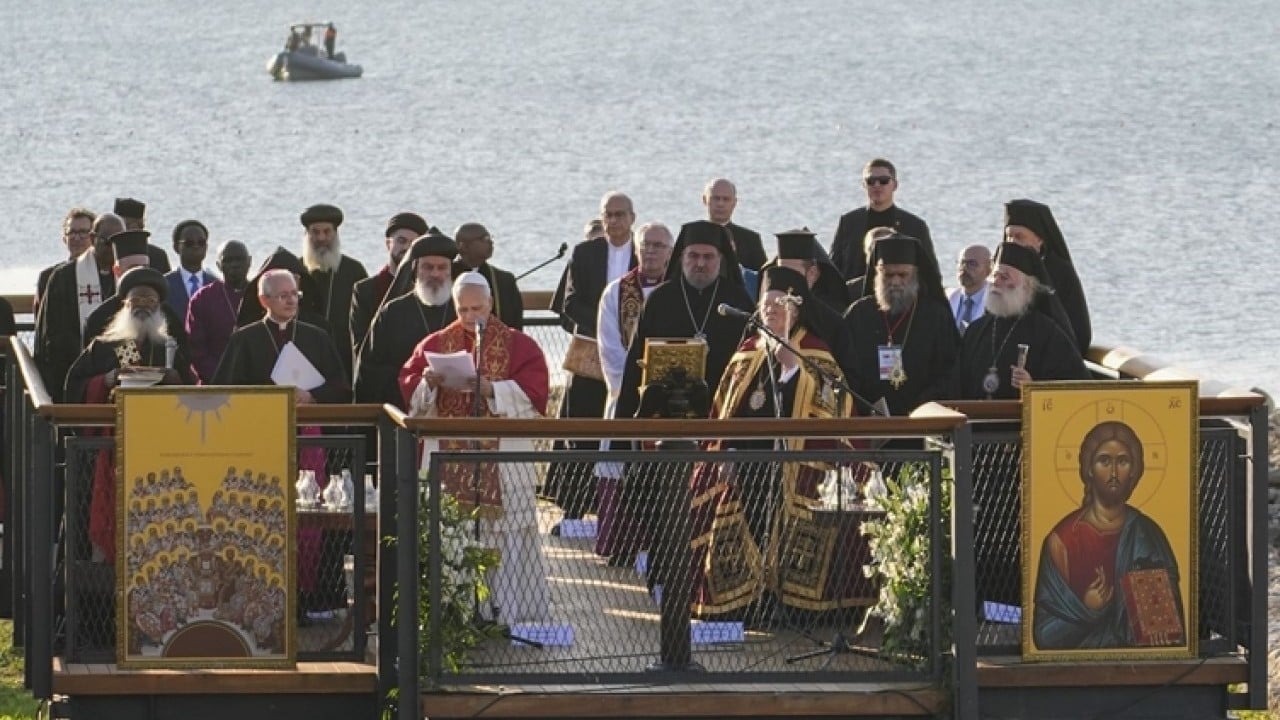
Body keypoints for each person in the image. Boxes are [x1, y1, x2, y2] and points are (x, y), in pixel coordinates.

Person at [691, 266, 854, 618]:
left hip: (793, 465)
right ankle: (745, 602)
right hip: (744, 464)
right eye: (766, 305)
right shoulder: (747, 351)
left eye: (779, 304)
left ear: (797, 309)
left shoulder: (816, 351)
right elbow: (722, 411)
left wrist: (794, 371)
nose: (771, 311)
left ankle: (788, 601)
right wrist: (725, 452)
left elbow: (834, 408)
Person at [399, 272, 552, 624]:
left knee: (504, 538)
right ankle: (454, 616)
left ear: (491, 304)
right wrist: (429, 384)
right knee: (451, 535)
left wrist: (492, 390)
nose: (469, 317)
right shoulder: (437, 343)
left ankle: (504, 614)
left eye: (477, 308)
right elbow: (412, 395)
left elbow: (535, 396)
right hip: (448, 460)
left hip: (503, 462)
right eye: (462, 309)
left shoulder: (520, 345)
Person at [64, 268, 195, 562]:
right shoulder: (104, 346)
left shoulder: (168, 348)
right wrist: (106, 380)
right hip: (113, 448)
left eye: (150, 301)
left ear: (159, 308)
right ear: (125, 305)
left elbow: (193, 394)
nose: (143, 306)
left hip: (163, 450)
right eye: (137, 300)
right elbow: (74, 386)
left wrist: (176, 380)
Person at [1033, 421, 1184, 649]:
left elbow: (1170, 625)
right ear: (1089, 468)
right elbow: (1045, 635)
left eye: (1122, 461)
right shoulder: (1062, 541)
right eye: (1104, 461)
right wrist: (1089, 610)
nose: (1113, 473)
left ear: (1133, 470)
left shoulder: (1147, 534)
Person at [545, 192, 638, 533]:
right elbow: (570, 303)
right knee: (580, 431)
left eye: (620, 214)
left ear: (632, 217)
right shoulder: (585, 253)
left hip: (631, 357)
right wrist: (607, 327)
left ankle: (620, 516)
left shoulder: (644, 252)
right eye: (608, 215)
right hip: (591, 355)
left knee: (624, 433)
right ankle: (573, 511)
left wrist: (626, 334)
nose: (613, 221)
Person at [592, 221, 674, 563]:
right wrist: (632, 389)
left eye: (658, 245)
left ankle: (660, 545)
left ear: (670, 252)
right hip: (626, 397)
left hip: (671, 403)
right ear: (637, 250)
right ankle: (623, 545)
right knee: (620, 466)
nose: (651, 251)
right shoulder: (615, 292)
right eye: (646, 245)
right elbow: (609, 349)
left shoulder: (678, 292)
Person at [614, 220, 753, 420]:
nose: (700, 264)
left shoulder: (738, 300)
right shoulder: (660, 299)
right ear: (681, 257)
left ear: (721, 259)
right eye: (693, 256)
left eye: (708, 257)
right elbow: (636, 362)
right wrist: (625, 421)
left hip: (722, 411)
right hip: (664, 414)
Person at [951, 242, 1088, 399]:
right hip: (974, 414)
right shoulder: (976, 330)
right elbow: (956, 384)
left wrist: (1033, 387)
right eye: (995, 276)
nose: (996, 282)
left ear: (1027, 287)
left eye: (1004, 277)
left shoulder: (1047, 333)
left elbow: (1076, 386)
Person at [842, 234, 958, 416]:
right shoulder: (859, 314)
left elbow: (949, 371)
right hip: (868, 418)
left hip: (923, 419)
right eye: (888, 275)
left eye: (903, 275)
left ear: (915, 275)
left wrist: (921, 407)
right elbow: (845, 368)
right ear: (877, 274)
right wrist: (865, 406)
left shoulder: (935, 316)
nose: (895, 282)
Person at [212, 269, 351, 404]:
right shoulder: (243, 339)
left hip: (308, 417)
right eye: (283, 296)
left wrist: (311, 396)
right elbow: (223, 392)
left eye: (295, 294)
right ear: (264, 300)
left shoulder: (318, 337)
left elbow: (341, 389)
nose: (291, 301)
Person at [355, 231, 458, 406]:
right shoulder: (393, 312)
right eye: (428, 267)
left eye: (442, 268)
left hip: (457, 406)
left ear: (450, 272)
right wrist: (416, 383)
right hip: (403, 407)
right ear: (415, 270)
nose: (435, 274)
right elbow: (371, 370)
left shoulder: (462, 310)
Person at [34, 213, 123, 401]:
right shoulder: (64, 277)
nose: (113, 248)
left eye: (119, 241)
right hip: (76, 373)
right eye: (108, 242)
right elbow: (55, 336)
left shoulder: (126, 277)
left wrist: (123, 366)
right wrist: (92, 366)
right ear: (93, 239)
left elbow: (128, 330)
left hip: (117, 372)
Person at [1003, 199, 1091, 354]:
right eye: (1008, 236)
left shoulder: (1060, 272)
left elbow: (1079, 332)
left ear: (1039, 239)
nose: (1012, 243)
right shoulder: (1001, 270)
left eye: (1019, 237)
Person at [82, 231, 189, 353]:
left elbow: (182, 356)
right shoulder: (98, 319)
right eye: (133, 268)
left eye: (145, 267)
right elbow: (91, 362)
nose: (140, 274)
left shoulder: (168, 315)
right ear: (117, 271)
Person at [829, 158, 934, 281]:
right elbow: (833, 269)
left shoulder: (914, 226)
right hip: (854, 291)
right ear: (864, 185)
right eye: (871, 181)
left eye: (883, 181)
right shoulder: (849, 222)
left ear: (895, 185)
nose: (877, 185)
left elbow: (931, 273)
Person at [298, 203, 368, 382]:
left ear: (335, 234)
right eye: (315, 232)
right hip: (303, 357)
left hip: (344, 357)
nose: (321, 238)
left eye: (327, 232)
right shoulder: (296, 270)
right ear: (307, 235)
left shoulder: (354, 270)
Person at [350, 211, 427, 360]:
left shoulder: (430, 290)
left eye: (413, 244)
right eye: (401, 241)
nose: (407, 248)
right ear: (388, 244)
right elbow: (361, 345)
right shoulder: (365, 290)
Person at [186, 241, 252, 383]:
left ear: (249, 261)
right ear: (218, 265)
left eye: (239, 259)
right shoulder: (202, 298)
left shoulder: (262, 294)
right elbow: (196, 349)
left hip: (256, 381)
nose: (234, 264)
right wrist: (222, 377)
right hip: (215, 381)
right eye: (228, 260)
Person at [452, 222, 523, 330]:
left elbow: (515, 326)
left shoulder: (505, 280)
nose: (490, 242)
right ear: (463, 246)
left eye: (490, 238)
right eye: (484, 239)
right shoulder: (444, 278)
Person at [35, 207, 96, 316]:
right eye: (71, 232)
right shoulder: (48, 276)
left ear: (94, 237)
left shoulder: (103, 274)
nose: (77, 238)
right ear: (64, 239)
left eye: (83, 232)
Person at [703, 178, 766, 271]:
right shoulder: (691, 234)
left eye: (726, 199)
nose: (720, 204)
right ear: (705, 200)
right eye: (716, 198)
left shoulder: (751, 240)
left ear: (734, 203)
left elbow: (762, 276)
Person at [164, 220, 216, 320]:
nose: (196, 246)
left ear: (206, 247)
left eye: (201, 242)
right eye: (189, 243)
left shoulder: (217, 285)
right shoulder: (164, 285)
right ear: (176, 247)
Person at [113, 197, 172, 272]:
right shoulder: (108, 254)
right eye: (129, 226)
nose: (135, 231)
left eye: (140, 226)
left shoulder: (158, 256)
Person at [947, 244, 992, 335]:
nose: (964, 268)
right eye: (962, 263)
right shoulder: (949, 298)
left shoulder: (997, 303)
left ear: (988, 270)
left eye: (972, 264)